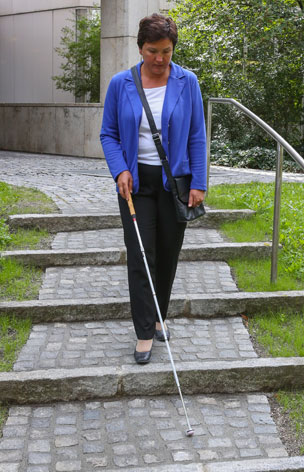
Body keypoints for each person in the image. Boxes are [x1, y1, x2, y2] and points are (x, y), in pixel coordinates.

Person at [100, 13, 207, 364]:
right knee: (141, 256)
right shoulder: (121, 83)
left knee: (167, 254)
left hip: (174, 184)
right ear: (140, 48)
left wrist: (199, 184)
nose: (159, 59)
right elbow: (109, 134)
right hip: (136, 185)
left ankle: (160, 315)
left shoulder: (187, 81)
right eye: (152, 51)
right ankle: (145, 331)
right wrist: (120, 171)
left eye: (166, 51)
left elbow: (196, 135)